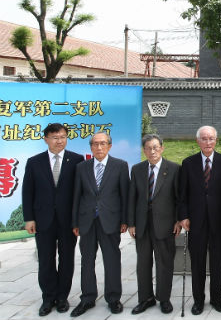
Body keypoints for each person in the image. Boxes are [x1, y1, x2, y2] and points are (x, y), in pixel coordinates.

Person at [22, 123, 82, 316]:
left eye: (63, 137)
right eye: (55, 137)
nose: (59, 141)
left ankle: (62, 297)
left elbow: (79, 194)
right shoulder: (34, 162)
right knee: (46, 260)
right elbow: (27, 191)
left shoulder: (77, 160)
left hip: (68, 222)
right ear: (46, 139)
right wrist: (29, 218)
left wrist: (77, 221)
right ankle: (48, 298)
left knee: (67, 259)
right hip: (43, 220)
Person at [70, 132, 129, 317]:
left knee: (112, 260)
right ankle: (87, 298)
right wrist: (75, 222)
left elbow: (125, 196)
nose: (99, 147)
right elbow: (76, 197)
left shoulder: (120, 165)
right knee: (87, 261)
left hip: (110, 221)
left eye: (103, 144)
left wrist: (125, 220)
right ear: (91, 147)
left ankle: (113, 298)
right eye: (95, 144)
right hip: (87, 221)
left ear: (110, 146)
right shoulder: (82, 167)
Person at [178, 126, 221, 315]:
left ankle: (216, 298)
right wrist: (183, 216)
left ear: (216, 140)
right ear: (198, 141)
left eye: (211, 138)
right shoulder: (188, 163)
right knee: (198, 262)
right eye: (204, 138)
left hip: (219, 221)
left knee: (217, 262)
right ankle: (198, 300)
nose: (208, 142)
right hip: (196, 221)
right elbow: (182, 193)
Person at [127, 134, 181, 314]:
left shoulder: (173, 168)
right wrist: (131, 223)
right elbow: (132, 198)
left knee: (164, 262)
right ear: (144, 150)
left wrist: (177, 221)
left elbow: (178, 198)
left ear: (162, 148)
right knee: (143, 263)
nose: (152, 151)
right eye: (148, 148)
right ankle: (145, 298)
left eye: (156, 147)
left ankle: (164, 299)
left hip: (165, 224)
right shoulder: (137, 169)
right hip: (142, 224)